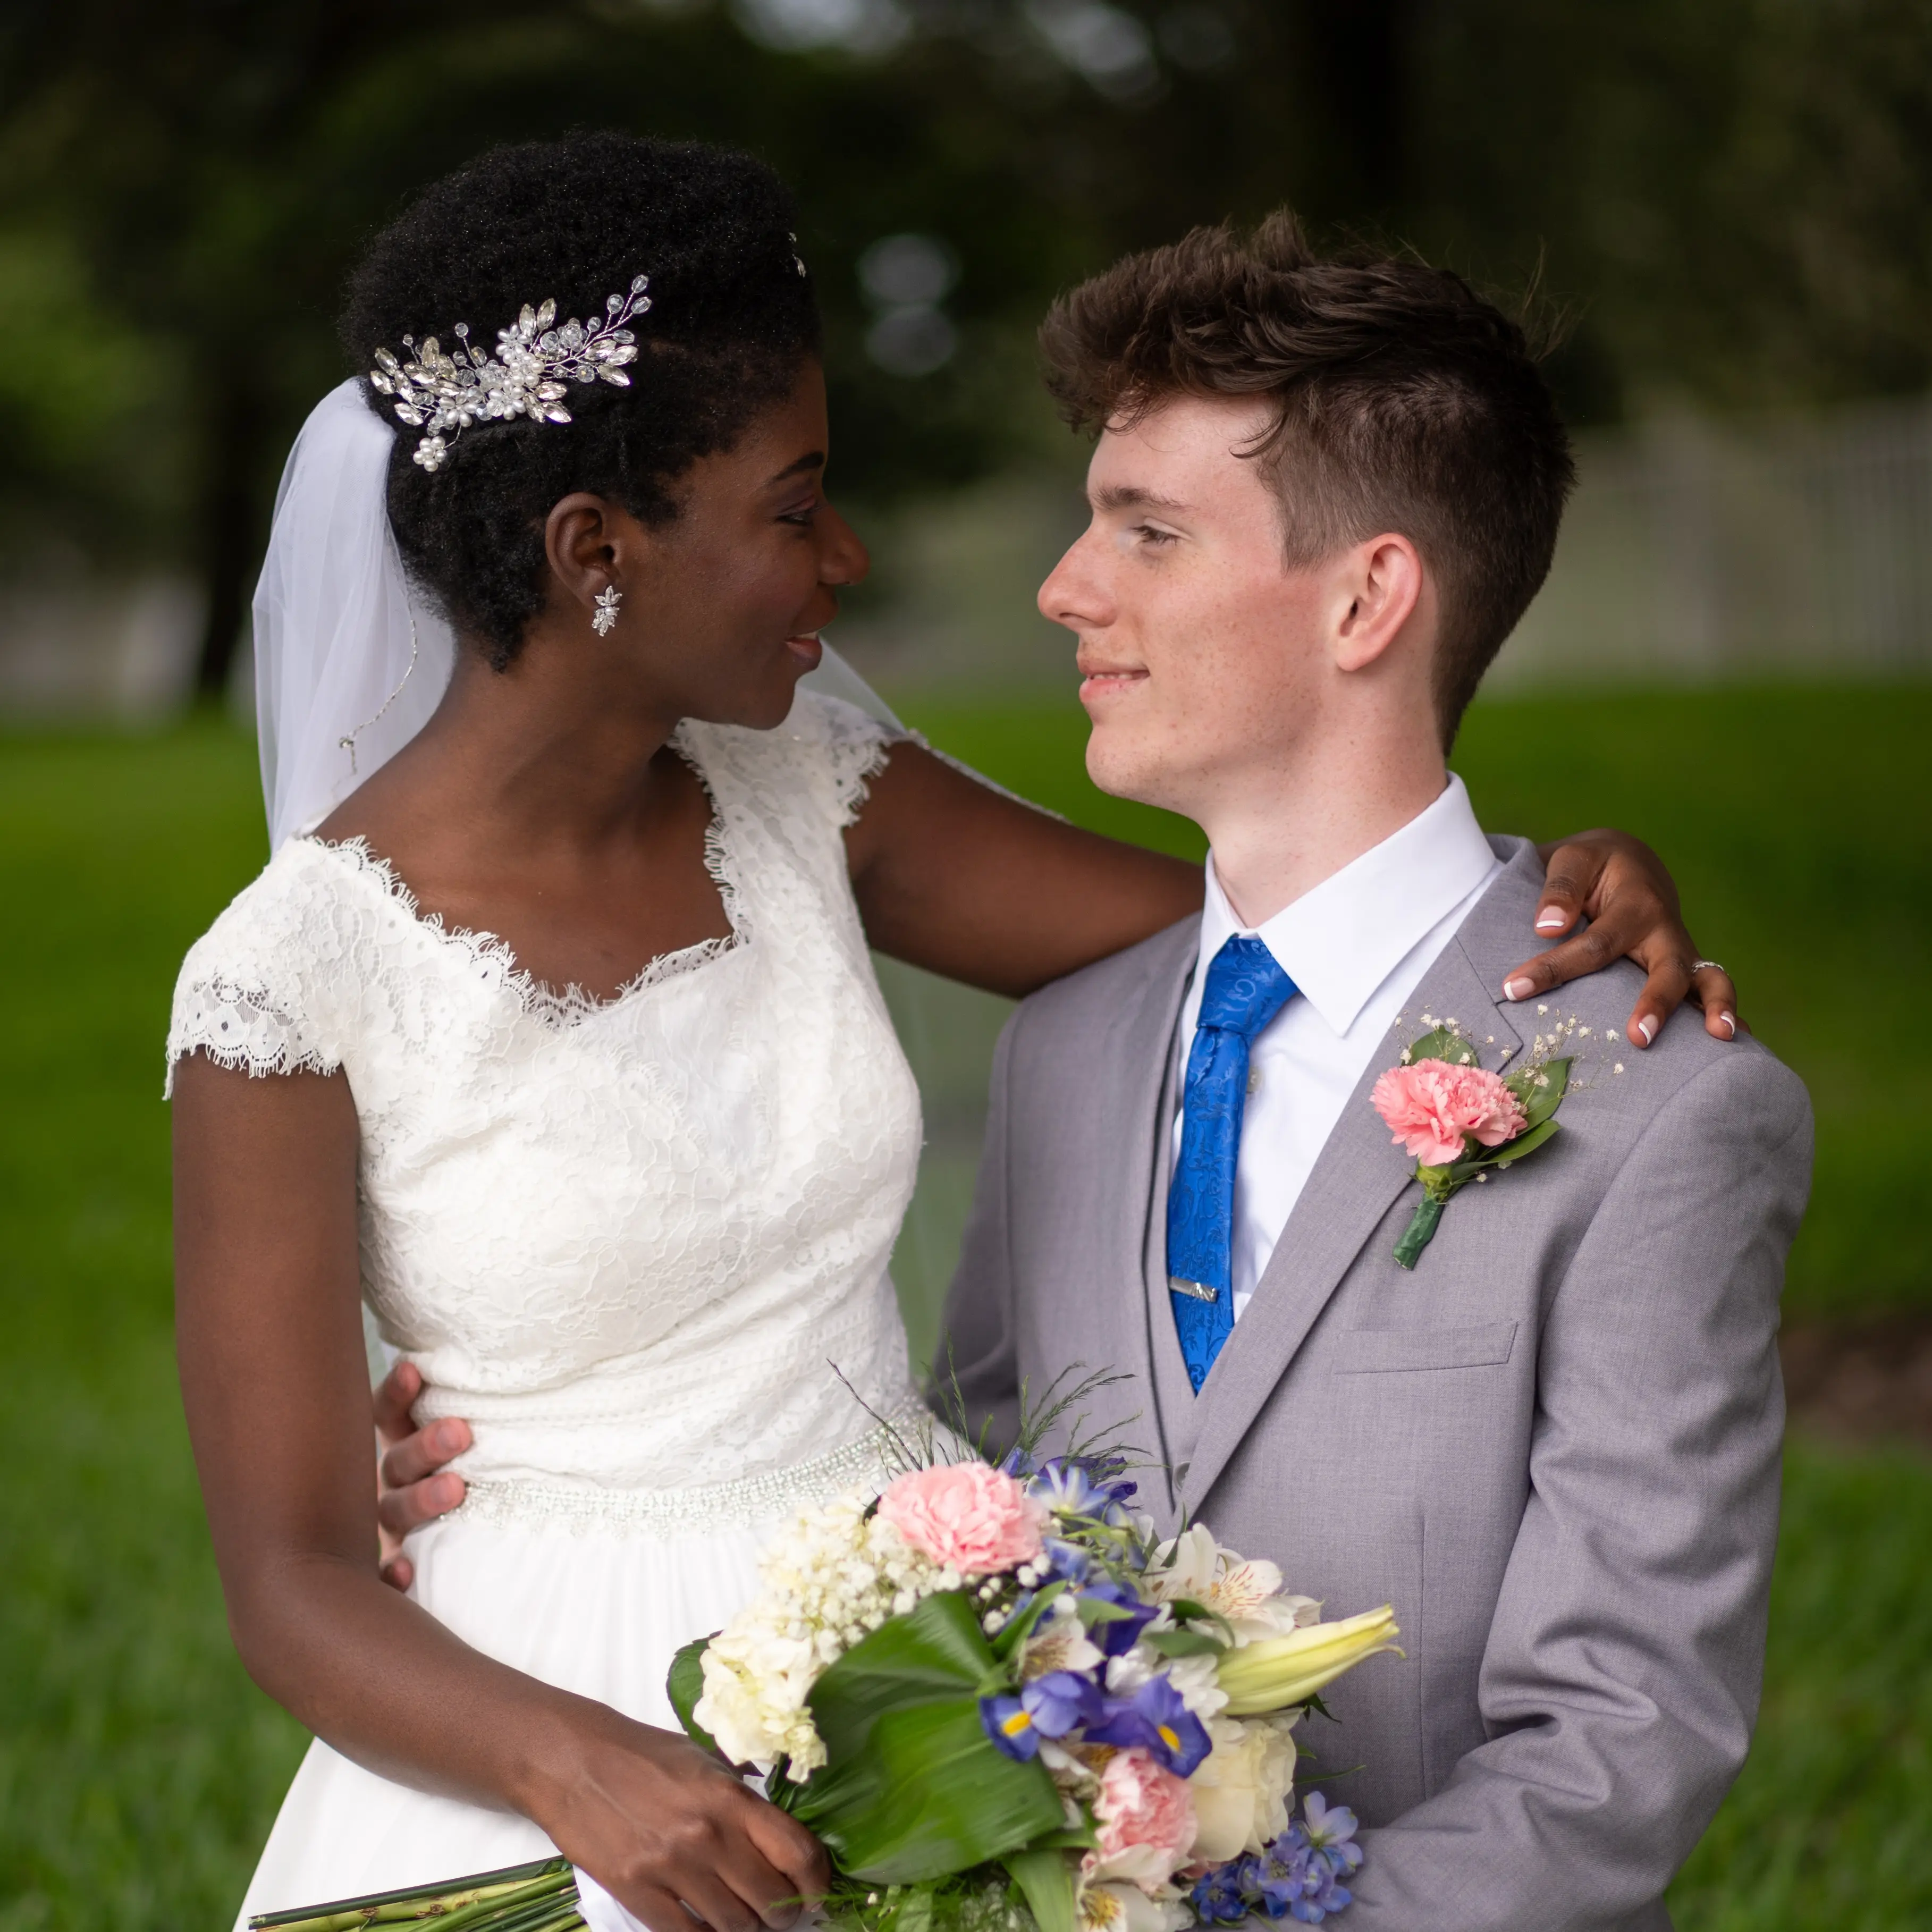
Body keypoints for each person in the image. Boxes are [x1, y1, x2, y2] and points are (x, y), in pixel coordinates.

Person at [170, 136, 1742, 1932]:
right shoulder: (286, 979)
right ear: (593, 551)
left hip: (929, 1648)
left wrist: (1561, 890)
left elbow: (1284, 933)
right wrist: (587, 1772)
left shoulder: (812, 798)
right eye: (791, 506)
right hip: (554, 1707)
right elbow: (290, 1584)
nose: (843, 559)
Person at [930, 217, 1810, 1930]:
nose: (1064, 587)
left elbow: (1620, 1742)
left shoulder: (1663, 1109)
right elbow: (969, 1505)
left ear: (1366, 598)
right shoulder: (1064, 1055)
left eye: (1148, 533)